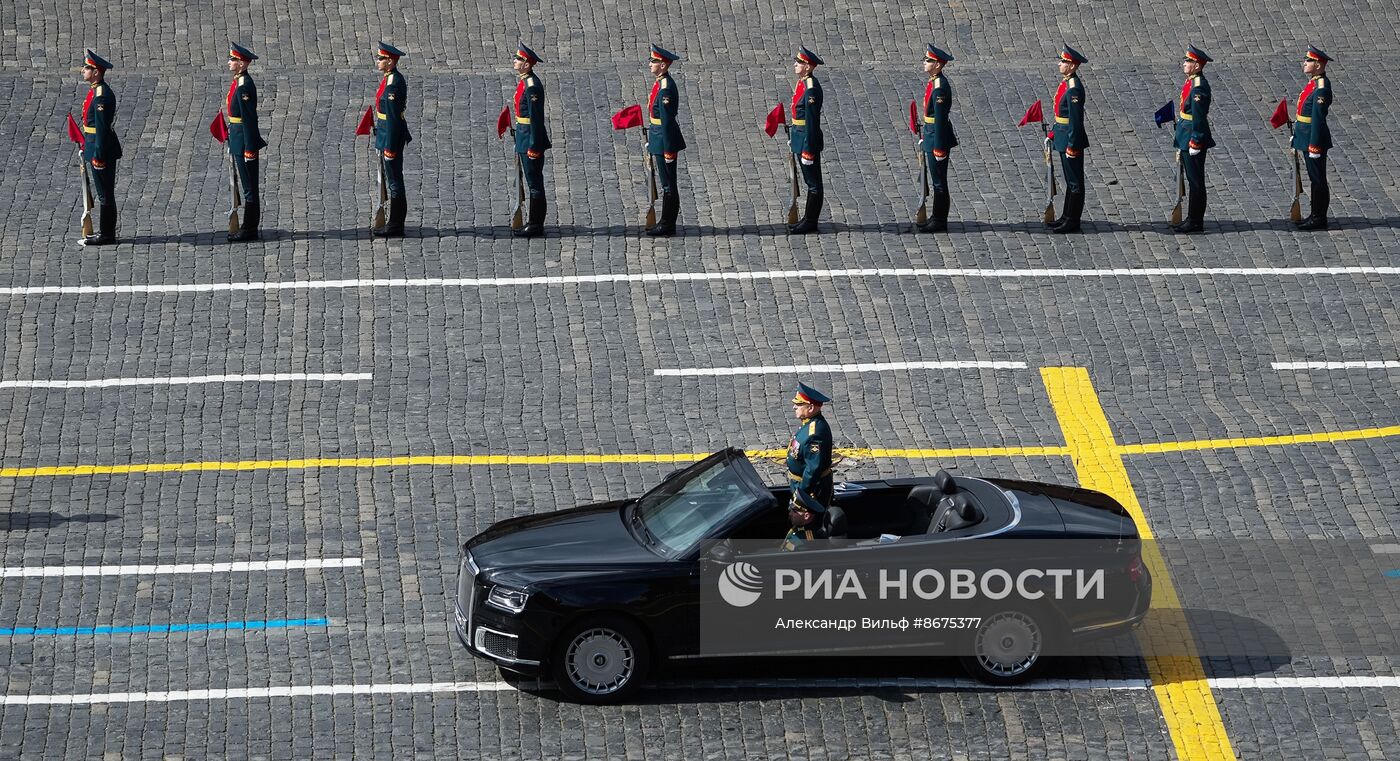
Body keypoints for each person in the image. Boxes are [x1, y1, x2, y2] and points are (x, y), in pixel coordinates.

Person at [78, 50, 121, 246]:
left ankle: (106, 234)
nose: (83, 70)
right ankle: (106, 232)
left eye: (87, 68)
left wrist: (98, 154)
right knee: (103, 191)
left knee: (105, 193)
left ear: (96, 72)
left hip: (100, 148)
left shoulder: (101, 96)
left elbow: (102, 130)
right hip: (93, 143)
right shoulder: (95, 91)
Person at [225, 42, 267, 242]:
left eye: (233, 59)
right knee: (245, 184)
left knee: (250, 187)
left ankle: (249, 228)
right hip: (237, 139)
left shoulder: (244, 86)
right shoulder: (238, 82)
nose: (230, 62)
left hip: (244, 143)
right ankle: (248, 226)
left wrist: (250, 148)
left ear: (242, 63)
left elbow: (249, 119)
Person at [1173, 45, 1214, 234]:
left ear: (1197, 65)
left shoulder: (1199, 87)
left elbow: (1197, 116)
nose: (1185, 63)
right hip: (1185, 133)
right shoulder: (1191, 82)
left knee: (1196, 181)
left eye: (1189, 61)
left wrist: (1196, 140)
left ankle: (1196, 220)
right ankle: (1192, 217)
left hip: (1192, 136)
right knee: (1191, 179)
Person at [372, 42, 412, 238]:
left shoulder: (394, 83)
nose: (377, 61)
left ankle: (396, 224)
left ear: (390, 61)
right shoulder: (388, 79)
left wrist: (389, 146)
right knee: (391, 179)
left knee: (395, 181)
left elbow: (394, 118)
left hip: (391, 138)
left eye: (381, 58)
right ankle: (393, 222)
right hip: (385, 133)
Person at [1292, 46, 1334, 231]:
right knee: (1313, 177)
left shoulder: (1321, 88)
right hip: (1305, 135)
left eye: (1309, 61)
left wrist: (1315, 145)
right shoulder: (1313, 83)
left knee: (1318, 179)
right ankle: (1315, 213)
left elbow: (1317, 118)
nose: (1305, 63)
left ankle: (1319, 217)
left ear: (1318, 65)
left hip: (1313, 138)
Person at [511, 42, 550, 237]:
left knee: (534, 183)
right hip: (523, 135)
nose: (515, 61)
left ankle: (535, 224)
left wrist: (534, 145)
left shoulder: (532, 87)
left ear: (527, 64)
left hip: (530, 140)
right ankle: (533, 221)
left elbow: (535, 119)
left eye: (518, 59)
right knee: (530, 180)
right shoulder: (524, 81)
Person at [645, 44, 685, 236]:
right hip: (658, 137)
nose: (650, 64)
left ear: (663, 65)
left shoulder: (666, 89)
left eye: (653, 61)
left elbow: (667, 122)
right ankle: (665, 221)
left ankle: (668, 223)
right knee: (665, 182)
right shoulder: (660, 83)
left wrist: (668, 150)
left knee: (668, 184)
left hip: (664, 140)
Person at [1049, 45, 1088, 234]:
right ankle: (1066, 216)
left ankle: (1073, 220)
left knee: (1074, 182)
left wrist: (1072, 144)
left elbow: (1075, 120)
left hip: (1071, 140)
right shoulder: (1066, 83)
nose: (1060, 64)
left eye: (1064, 62)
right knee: (1068, 179)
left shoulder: (1074, 89)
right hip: (1063, 135)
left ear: (1072, 66)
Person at [918, 44, 957, 233]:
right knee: (935, 180)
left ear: (938, 65)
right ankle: (936, 216)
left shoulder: (939, 88)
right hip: (931, 134)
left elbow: (940, 120)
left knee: (939, 182)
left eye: (928, 60)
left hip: (937, 137)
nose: (924, 63)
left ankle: (940, 220)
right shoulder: (934, 82)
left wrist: (939, 146)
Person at [788, 47, 825, 234]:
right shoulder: (802, 83)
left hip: (807, 141)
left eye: (800, 63)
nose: (796, 64)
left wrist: (808, 149)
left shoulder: (811, 90)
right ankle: (807, 218)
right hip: (800, 136)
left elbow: (811, 122)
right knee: (808, 181)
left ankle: (811, 220)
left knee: (813, 183)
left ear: (808, 67)